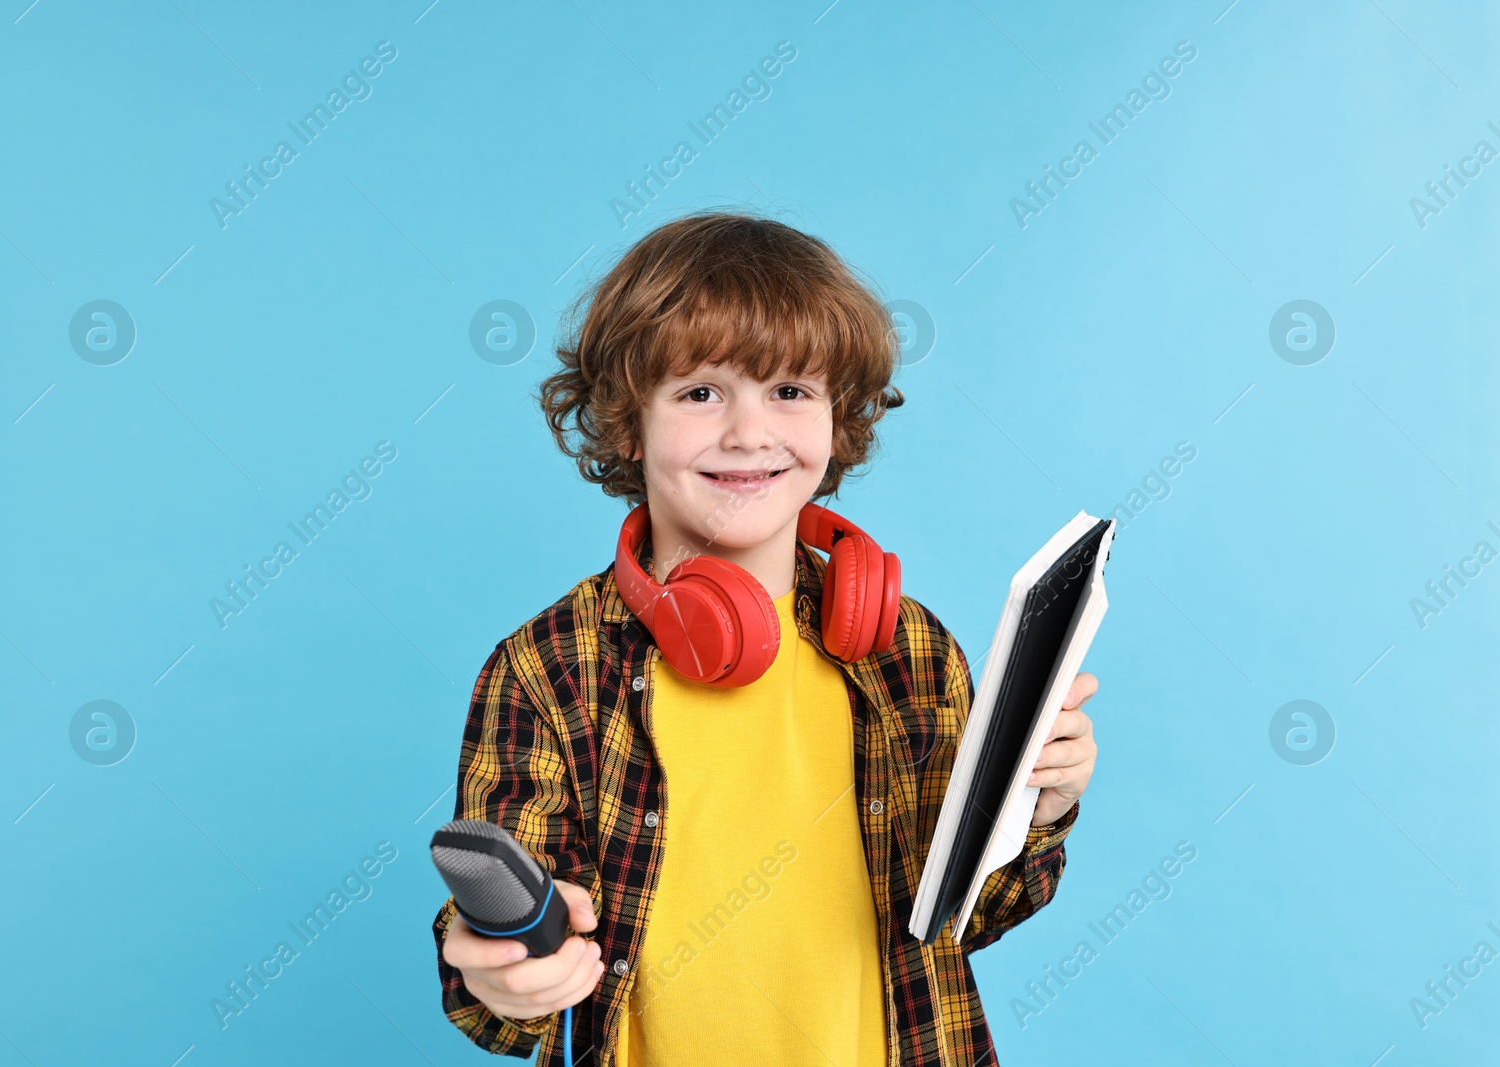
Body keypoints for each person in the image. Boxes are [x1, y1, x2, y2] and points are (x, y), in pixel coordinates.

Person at [432, 210, 1099, 1066]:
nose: (749, 433)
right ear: (629, 422)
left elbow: (974, 913)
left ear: (837, 418)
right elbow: (506, 990)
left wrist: (1039, 804)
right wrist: (501, 972)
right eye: (701, 391)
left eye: (790, 391)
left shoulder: (911, 651)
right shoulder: (548, 667)